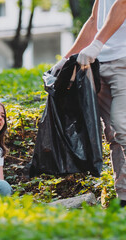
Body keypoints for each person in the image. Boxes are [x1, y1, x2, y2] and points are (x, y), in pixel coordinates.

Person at [50, 0, 126, 206]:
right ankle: (124, 199)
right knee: (113, 135)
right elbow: (94, 21)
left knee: (123, 127)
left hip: (123, 61)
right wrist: (66, 59)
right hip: (100, 64)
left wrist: (97, 44)